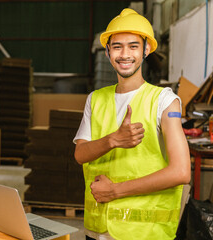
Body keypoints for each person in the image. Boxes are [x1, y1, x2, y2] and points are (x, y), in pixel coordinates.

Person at [73, 8, 191, 240]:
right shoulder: (95, 99)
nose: (124, 54)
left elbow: (181, 172)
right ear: (107, 52)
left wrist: (114, 191)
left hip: (143, 234)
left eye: (133, 46)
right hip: (96, 229)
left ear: (146, 50)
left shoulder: (165, 101)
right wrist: (113, 140)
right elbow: (80, 154)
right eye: (117, 46)